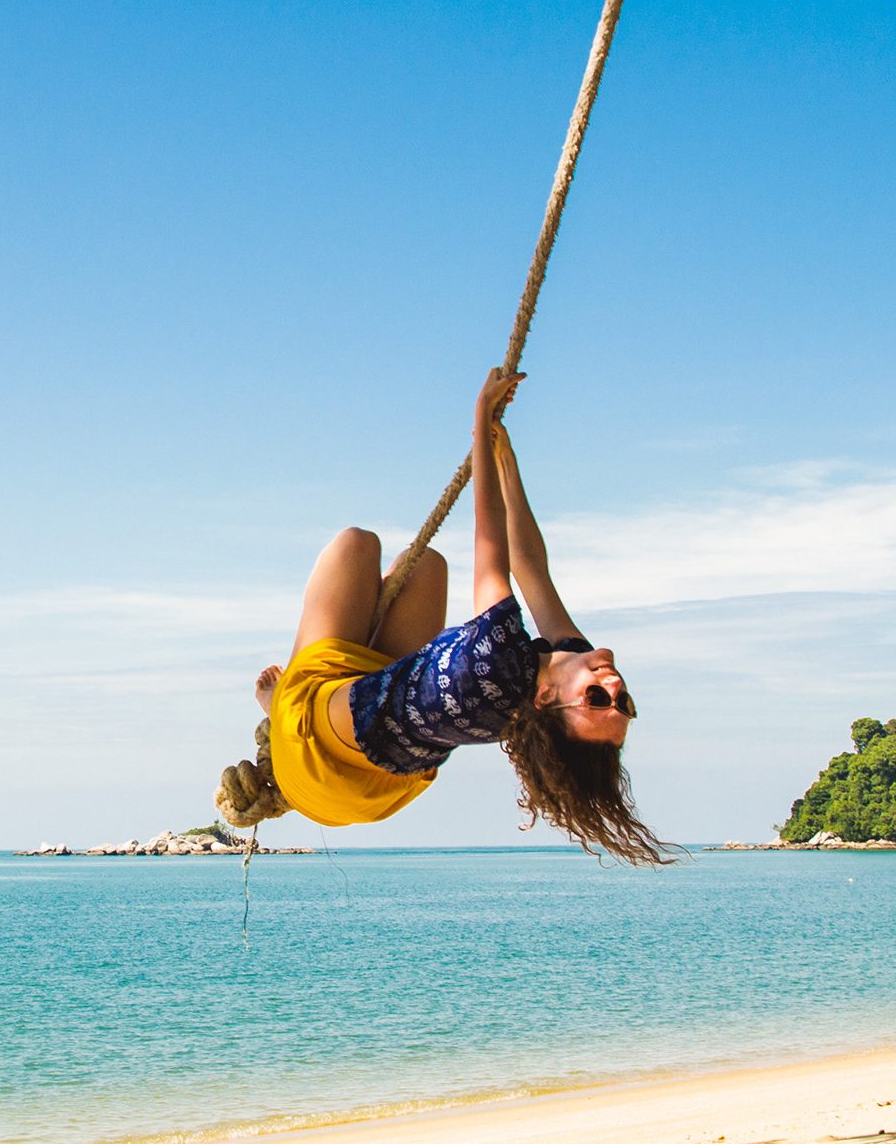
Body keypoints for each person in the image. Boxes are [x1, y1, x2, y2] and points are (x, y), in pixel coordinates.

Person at [250, 367, 669, 862]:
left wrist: (480, 419)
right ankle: (335, 676)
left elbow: (490, 544)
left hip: (321, 756)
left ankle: (280, 709)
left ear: (546, 697)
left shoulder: (490, 667)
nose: (615, 690)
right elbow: (530, 567)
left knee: (356, 545)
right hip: (385, 761)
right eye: (624, 706)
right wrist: (507, 460)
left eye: (598, 700)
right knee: (425, 565)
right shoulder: (569, 661)